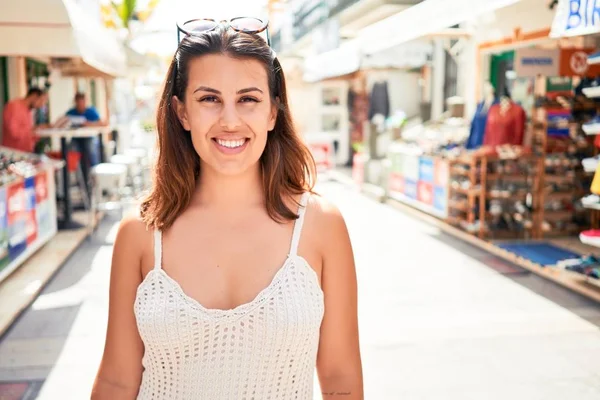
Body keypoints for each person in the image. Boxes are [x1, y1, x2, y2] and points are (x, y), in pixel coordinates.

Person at [92, 19, 363, 400]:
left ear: (273, 112)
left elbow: (340, 382)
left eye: (248, 99)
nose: (230, 120)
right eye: (209, 99)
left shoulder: (320, 225)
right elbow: (117, 381)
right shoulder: (140, 231)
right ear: (182, 112)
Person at [1, 88, 48, 153]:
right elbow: (14, 133)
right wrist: (33, 130)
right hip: (14, 153)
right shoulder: (14, 106)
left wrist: (38, 129)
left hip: (26, 152)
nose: (42, 105)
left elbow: (28, 133)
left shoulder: (28, 110)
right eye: (41, 100)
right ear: (34, 96)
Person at [66, 92, 105, 166]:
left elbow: (102, 123)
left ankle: (94, 169)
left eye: (82, 102)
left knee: (91, 149)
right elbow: (64, 121)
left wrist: (88, 124)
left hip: (89, 137)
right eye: (79, 102)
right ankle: (73, 173)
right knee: (69, 149)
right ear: (75, 102)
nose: (81, 105)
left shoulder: (91, 111)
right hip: (76, 138)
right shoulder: (71, 112)